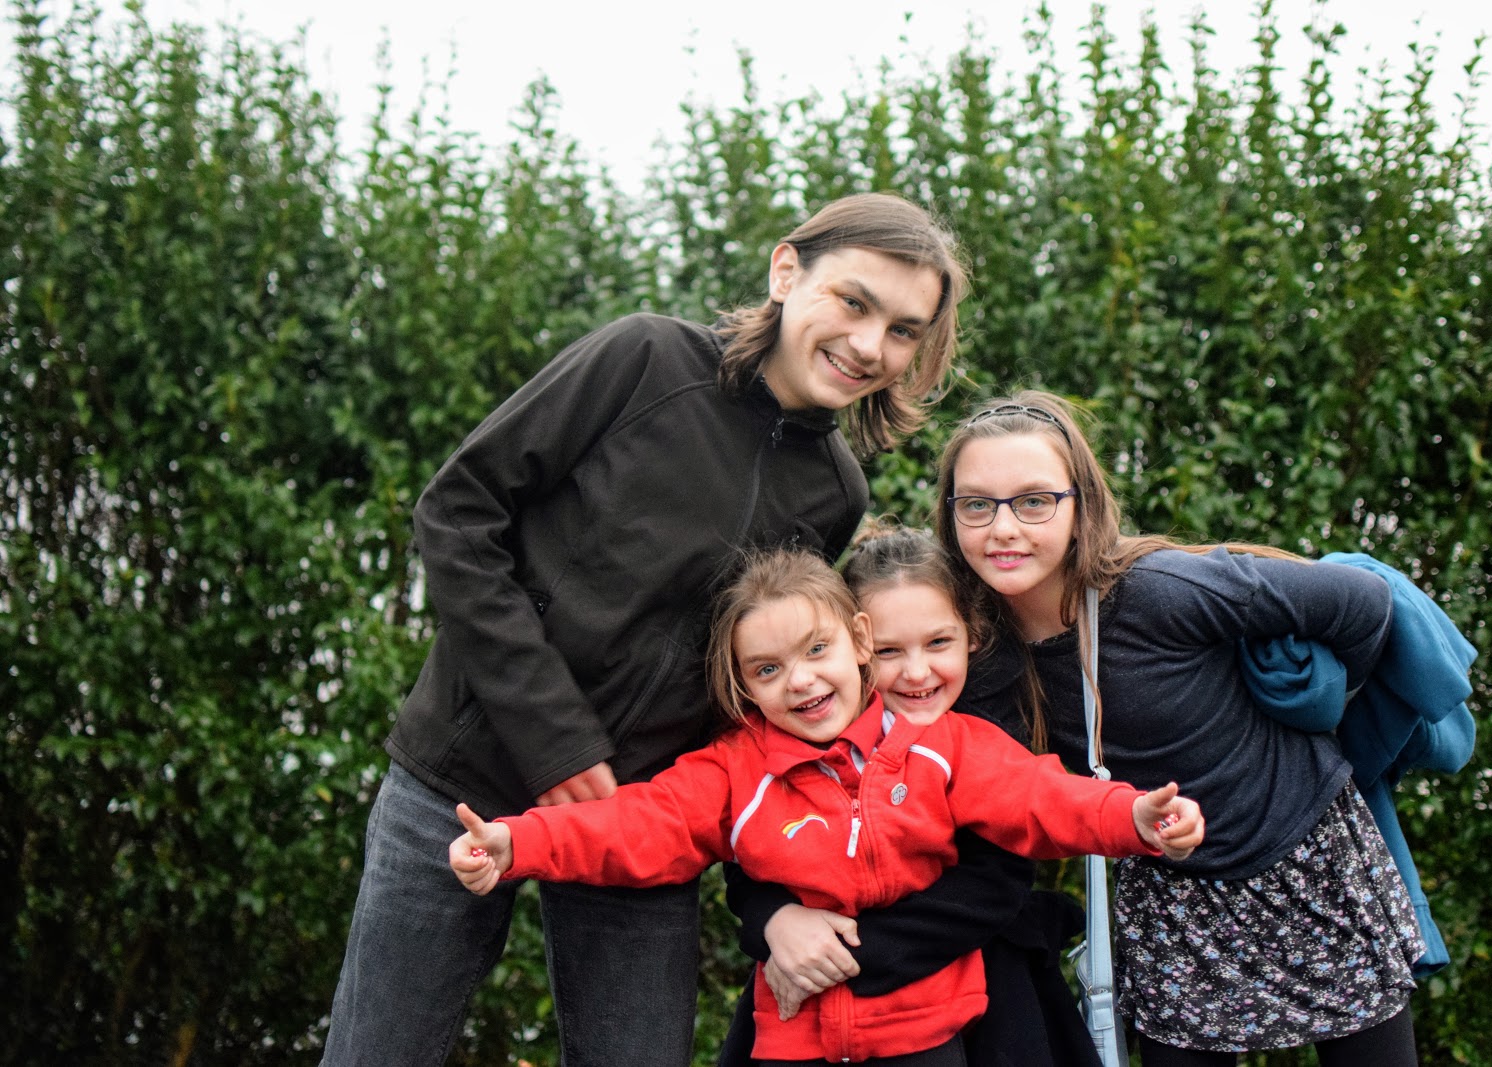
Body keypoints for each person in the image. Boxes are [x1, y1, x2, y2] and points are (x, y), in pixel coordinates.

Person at [320, 193, 968, 1067]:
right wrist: (555, 738)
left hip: (642, 825)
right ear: (786, 271)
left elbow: (765, 693)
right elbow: (458, 513)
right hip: (463, 782)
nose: (868, 344)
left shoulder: (835, 491)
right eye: (853, 302)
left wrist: (764, 888)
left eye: (901, 330)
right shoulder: (644, 359)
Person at [732, 391, 1426, 1067]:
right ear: (951, 514)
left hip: (1300, 853)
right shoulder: (971, 648)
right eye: (977, 504)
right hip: (1169, 882)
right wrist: (775, 917)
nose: (1004, 528)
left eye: (1034, 501)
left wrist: (1315, 705)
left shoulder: (1160, 591)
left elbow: (1362, 603)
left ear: (1081, 504)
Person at [450, 545, 1204, 1066]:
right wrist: (518, 843)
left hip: (924, 1031)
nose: (801, 681)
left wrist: (1133, 817)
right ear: (744, 686)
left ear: (857, 641)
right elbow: (640, 822)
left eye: (817, 650)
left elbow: (1041, 797)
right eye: (767, 669)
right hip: (794, 1036)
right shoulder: (737, 770)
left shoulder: (945, 745)